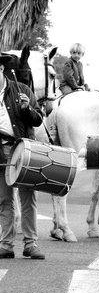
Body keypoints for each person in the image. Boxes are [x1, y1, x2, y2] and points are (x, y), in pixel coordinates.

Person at [0, 53, 45, 260]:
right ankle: (6, 245)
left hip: (22, 150)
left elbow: (37, 120)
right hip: (1, 152)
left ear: (1, 70)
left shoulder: (22, 90)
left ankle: (30, 244)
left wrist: (27, 108)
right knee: (4, 200)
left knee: (28, 198)